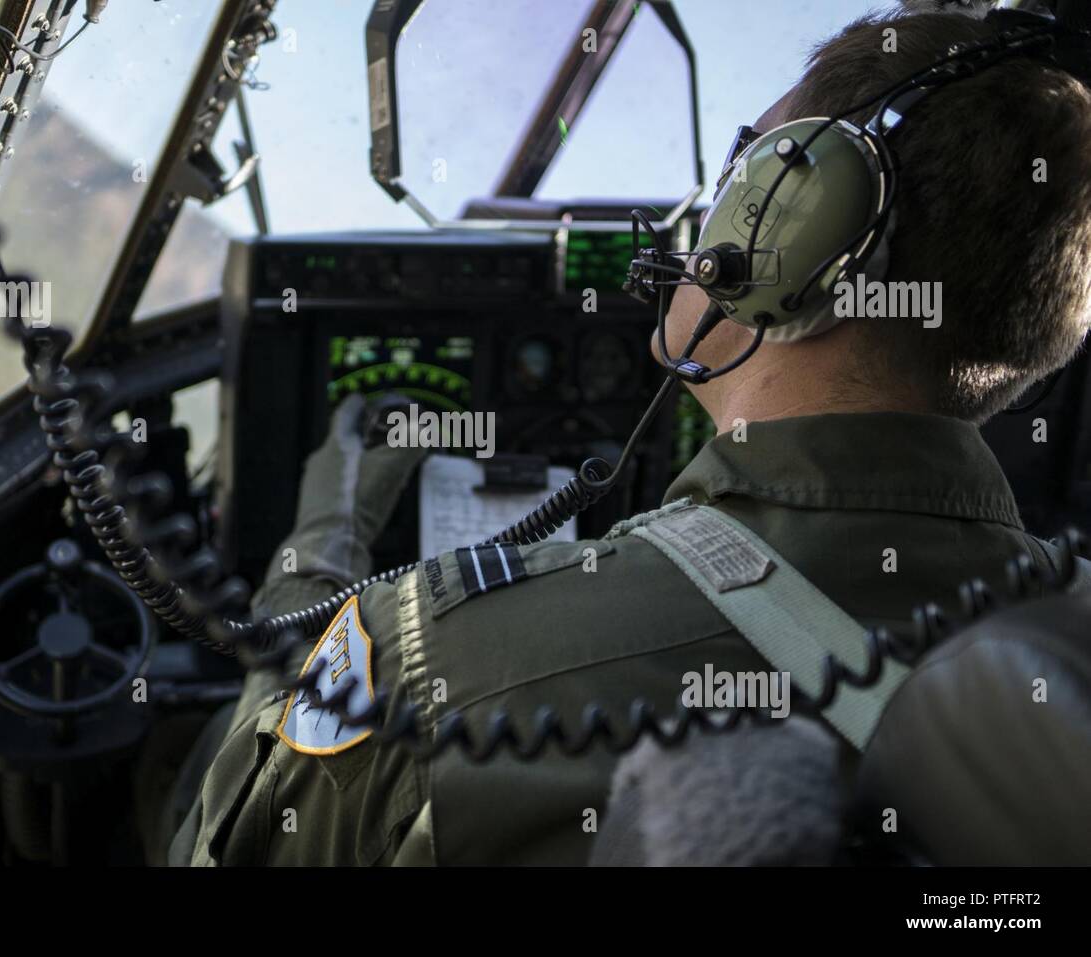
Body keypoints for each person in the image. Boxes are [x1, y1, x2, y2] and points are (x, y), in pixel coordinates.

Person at [169, 6, 1091, 866]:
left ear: (792, 233)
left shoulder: (426, 654)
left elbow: (221, 841)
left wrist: (321, 546)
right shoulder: (1067, 664)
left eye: (743, 175)